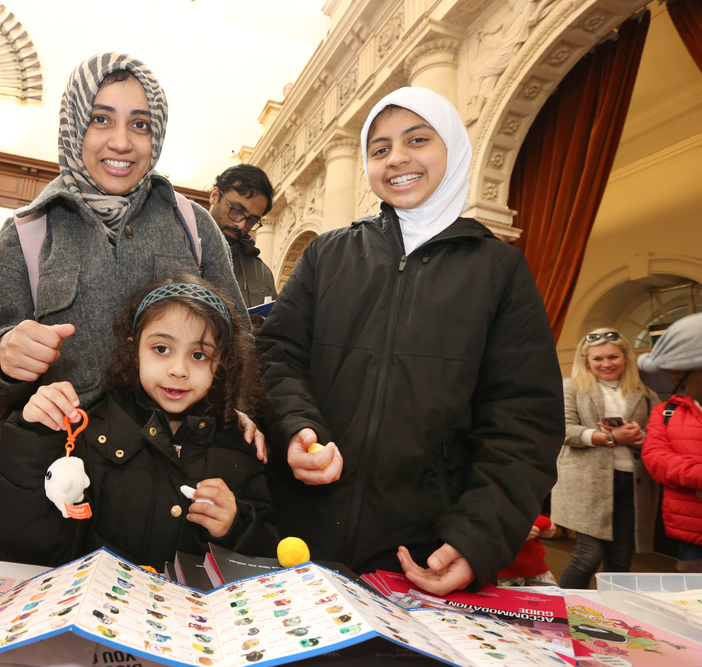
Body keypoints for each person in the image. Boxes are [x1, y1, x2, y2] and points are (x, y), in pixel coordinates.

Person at [258, 87, 564, 594]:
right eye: (379, 149)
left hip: (419, 553)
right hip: (298, 535)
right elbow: (276, 357)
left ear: (453, 149)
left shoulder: (500, 270)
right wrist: (295, 429)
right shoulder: (328, 255)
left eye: (417, 139)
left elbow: (523, 421)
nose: (396, 158)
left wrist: (476, 537)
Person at [0, 53, 251, 557]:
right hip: (53, 489)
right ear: (73, 126)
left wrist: (247, 413)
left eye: (140, 124)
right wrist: (0, 355)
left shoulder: (195, 228)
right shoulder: (25, 234)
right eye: (101, 119)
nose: (121, 142)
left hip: (166, 489)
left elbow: (237, 342)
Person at [0, 277, 276, 569]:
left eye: (199, 355)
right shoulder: (93, 433)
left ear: (221, 363)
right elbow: (29, 543)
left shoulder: (240, 448)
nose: (178, 370)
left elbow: (268, 556)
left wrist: (236, 528)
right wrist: (34, 436)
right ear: (134, 350)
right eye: (161, 349)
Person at [552, 329, 658, 588]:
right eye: (598, 358)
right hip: (587, 484)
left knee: (620, 563)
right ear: (585, 360)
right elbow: (563, 431)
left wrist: (640, 436)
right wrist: (610, 438)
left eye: (613, 357)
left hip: (633, 484)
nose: (607, 363)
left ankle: (611, 621)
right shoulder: (571, 387)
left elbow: (659, 434)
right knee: (588, 557)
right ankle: (564, 618)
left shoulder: (644, 392)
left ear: (626, 358)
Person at [639, 314, 702, 573]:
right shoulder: (666, 412)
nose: (677, 385)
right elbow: (656, 458)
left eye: (678, 376)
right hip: (691, 529)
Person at [209, 165, 276, 309]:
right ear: (215, 196)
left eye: (251, 220)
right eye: (237, 211)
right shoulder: (176, 246)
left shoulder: (263, 274)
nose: (241, 225)